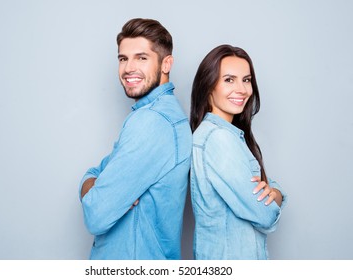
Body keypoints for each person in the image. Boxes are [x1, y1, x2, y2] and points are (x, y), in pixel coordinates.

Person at [79, 18, 192, 260]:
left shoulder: (152, 122)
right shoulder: (156, 116)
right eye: (123, 58)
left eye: (142, 58)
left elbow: (96, 214)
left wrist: (95, 187)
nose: (129, 68)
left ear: (166, 64)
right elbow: (96, 172)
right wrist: (95, 184)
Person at [190, 44, 287, 259]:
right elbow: (265, 214)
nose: (242, 90)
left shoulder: (222, 136)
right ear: (208, 86)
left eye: (246, 79)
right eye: (228, 80)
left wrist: (274, 192)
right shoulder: (219, 139)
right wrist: (277, 194)